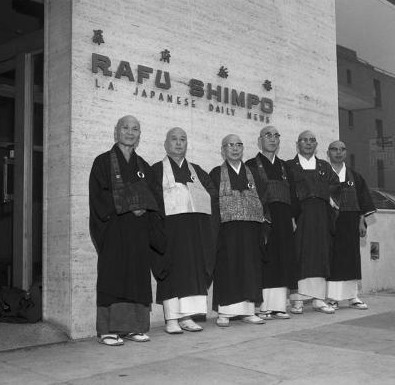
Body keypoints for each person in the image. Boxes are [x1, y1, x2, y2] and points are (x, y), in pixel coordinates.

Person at [89, 115, 165, 346]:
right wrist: (129, 205)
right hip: (114, 229)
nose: (130, 132)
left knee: (137, 278)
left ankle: (135, 327)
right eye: (125, 128)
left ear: (139, 135)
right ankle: (107, 330)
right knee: (113, 277)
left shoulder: (144, 166)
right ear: (116, 132)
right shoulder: (102, 162)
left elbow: (155, 198)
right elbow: (98, 197)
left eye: (135, 129)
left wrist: (146, 209)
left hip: (139, 231)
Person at [151, 127, 217, 334]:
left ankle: (187, 317)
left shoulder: (197, 171)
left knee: (193, 272)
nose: (179, 143)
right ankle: (171, 318)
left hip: (195, 232)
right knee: (172, 272)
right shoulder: (156, 170)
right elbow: (151, 202)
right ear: (165, 144)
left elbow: (212, 197)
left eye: (183, 139)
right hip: (170, 232)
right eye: (174, 139)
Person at [209, 134, 267, 327]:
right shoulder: (216, 173)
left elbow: (263, 199)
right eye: (230, 145)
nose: (235, 148)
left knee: (250, 267)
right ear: (223, 150)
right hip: (227, 229)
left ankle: (248, 311)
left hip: (251, 228)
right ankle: (225, 312)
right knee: (228, 267)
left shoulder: (253, 173)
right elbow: (213, 204)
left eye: (238, 145)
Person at [287, 130, 340, 315]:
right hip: (300, 217)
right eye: (304, 140)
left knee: (320, 255)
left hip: (321, 218)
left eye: (312, 140)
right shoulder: (289, 166)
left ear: (316, 145)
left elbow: (336, 188)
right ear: (297, 144)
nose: (308, 143)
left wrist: (324, 196)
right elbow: (286, 192)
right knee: (299, 254)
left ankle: (318, 299)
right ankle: (298, 301)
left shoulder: (325, 166)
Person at [246, 126, 296, 319]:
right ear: (260, 141)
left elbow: (293, 195)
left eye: (276, 136)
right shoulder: (250, 165)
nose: (273, 139)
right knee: (266, 259)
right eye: (268, 135)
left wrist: (293, 217)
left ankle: (279, 306)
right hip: (264, 217)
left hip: (284, 219)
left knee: (283, 258)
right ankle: (264, 307)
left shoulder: (285, 167)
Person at [326, 140, 376, 310]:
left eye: (342, 149)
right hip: (330, 223)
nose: (338, 153)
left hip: (350, 222)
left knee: (352, 258)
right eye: (334, 149)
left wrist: (362, 221)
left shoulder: (355, 176)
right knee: (333, 259)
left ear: (346, 153)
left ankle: (353, 296)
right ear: (328, 153)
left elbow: (363, 201)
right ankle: (332, 298)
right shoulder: (322, 175)